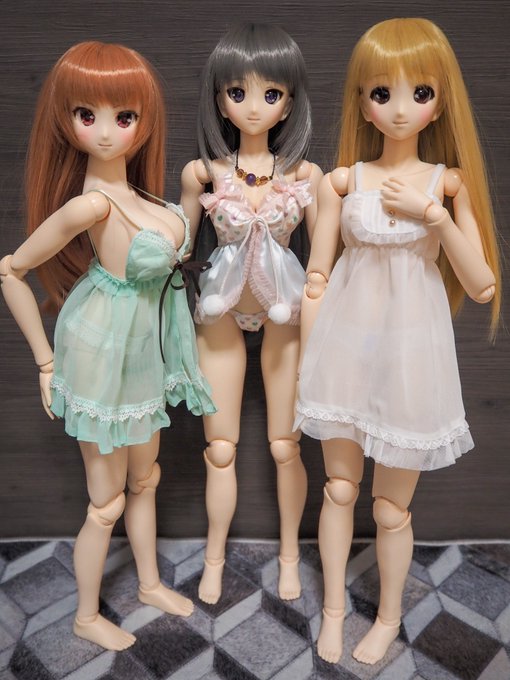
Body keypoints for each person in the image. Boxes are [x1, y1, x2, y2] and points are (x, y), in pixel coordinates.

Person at [295, 17, 500, 665]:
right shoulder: (342, 182)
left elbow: (483, 285)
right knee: (338, 488)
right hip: (344, 348)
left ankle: (386, 617)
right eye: (382, 93)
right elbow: (317, 278)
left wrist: (432, 214)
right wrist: (308, 361)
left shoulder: (445, 183)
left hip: (411, 355)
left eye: (420, 93)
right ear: (362, 103)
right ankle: (333, 610)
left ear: (440, 102)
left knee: (390, 508)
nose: (401, 109)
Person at [0, 41, 215, 651]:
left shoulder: (141, 196)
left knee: (145, 479)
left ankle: (147, 583)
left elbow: (173, 253)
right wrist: (46, 363)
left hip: (143, 349)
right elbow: (10, 269)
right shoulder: (91, 204)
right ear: (67, 121)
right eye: (86, 115)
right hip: (102, 348)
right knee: (105, 502)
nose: (104, 131)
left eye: (124, 117)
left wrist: (190, 195)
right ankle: (85, 616)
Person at [180, 23, 322, 604]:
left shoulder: (305, 176)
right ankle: (214, 559)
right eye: (238, 92)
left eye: (271, 93)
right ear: (220, 100)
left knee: (286, 446)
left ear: (289, 102)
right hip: (220, 310)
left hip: (286, 314)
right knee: (220, 448)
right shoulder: (204, 173)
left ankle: (289, 555)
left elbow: (324, 259)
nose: (255, 106)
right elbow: (180, 246)